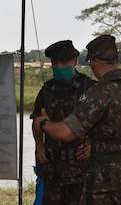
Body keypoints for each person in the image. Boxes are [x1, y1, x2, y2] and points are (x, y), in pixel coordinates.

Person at [34, 35, 121, 204]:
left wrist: (43, 123)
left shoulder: (99, 91)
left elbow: (65, 133)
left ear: (93, 61)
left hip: (104, 180)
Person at [31, 40, 95, 205]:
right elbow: (37, 121)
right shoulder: (47, 90)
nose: (59, 66)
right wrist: (39, 145)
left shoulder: (90, 88)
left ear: (74, 61)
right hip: (53, 170)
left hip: (82, 170)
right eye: (55, 63)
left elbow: (103, 125)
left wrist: (93, 145)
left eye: (64, 62)